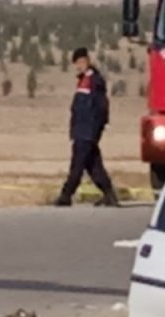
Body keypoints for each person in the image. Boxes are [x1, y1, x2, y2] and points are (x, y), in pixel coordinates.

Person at [55, 47, 119, 207]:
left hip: (87, 132)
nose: (79, 66)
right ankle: (109, 194)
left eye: (81, 62)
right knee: (93, 165)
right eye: (77, 63)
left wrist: (96, 130)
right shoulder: (83, 81)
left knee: (77, 164)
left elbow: (101, 108)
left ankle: (66, 195)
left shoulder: (95, 81)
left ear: (87, 61)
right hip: (81, 130)